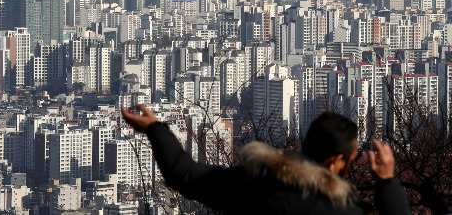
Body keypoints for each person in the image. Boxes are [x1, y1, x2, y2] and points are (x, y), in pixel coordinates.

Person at [121, 104, 411, 215]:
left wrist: (155, 128)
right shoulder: (343, 211)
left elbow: (181, 173)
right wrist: (386, 182)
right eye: (353, 155)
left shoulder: (250, 183)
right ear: (336, 161)